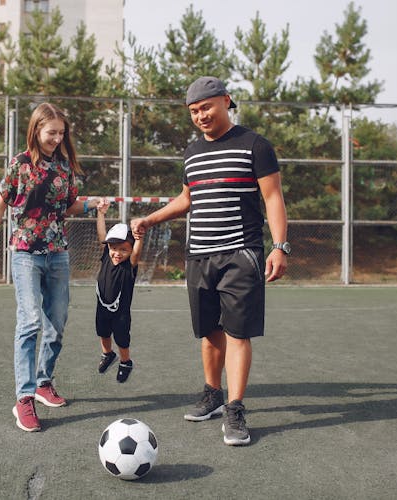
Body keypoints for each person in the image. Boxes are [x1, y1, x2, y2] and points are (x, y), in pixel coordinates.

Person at [131, 76, 289, 446]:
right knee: (208, 332)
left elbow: (274, 198)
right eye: (193, 111)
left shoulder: (255, 145)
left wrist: (280, 246)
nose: (201, 115)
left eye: (206, 107)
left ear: (226, 102)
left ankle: (235, 409)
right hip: (198, 255)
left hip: (241, 253)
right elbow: (188, 198)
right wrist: (151, 219)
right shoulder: (190, 153)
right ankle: (212, 395)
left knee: (237, 333)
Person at [0, 102, 91, 432]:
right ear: (36, 130)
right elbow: (0, 203)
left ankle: (44, 383)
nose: (57, 138)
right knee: (30, 321)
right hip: (26, 254)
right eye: (51, 132)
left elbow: (68, 205)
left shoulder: (65, 167)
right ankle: (25, 398)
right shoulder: (20, 165)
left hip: (58, 253)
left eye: (62, 133)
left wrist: (89, 204)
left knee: (56, 323)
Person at [94, 199, 143, 383]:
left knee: (122, 338)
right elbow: (102, 235)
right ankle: (108, 354)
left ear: (130, 250)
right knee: (103, 332)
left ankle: (125, 361)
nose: (117, 253)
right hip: (102, 306)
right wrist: (101, 213)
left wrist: (139, 238)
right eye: (114, 248)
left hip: (120, 313)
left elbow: (136, 253)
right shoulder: (107, 256)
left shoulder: (129, 265)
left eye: (123, 249)